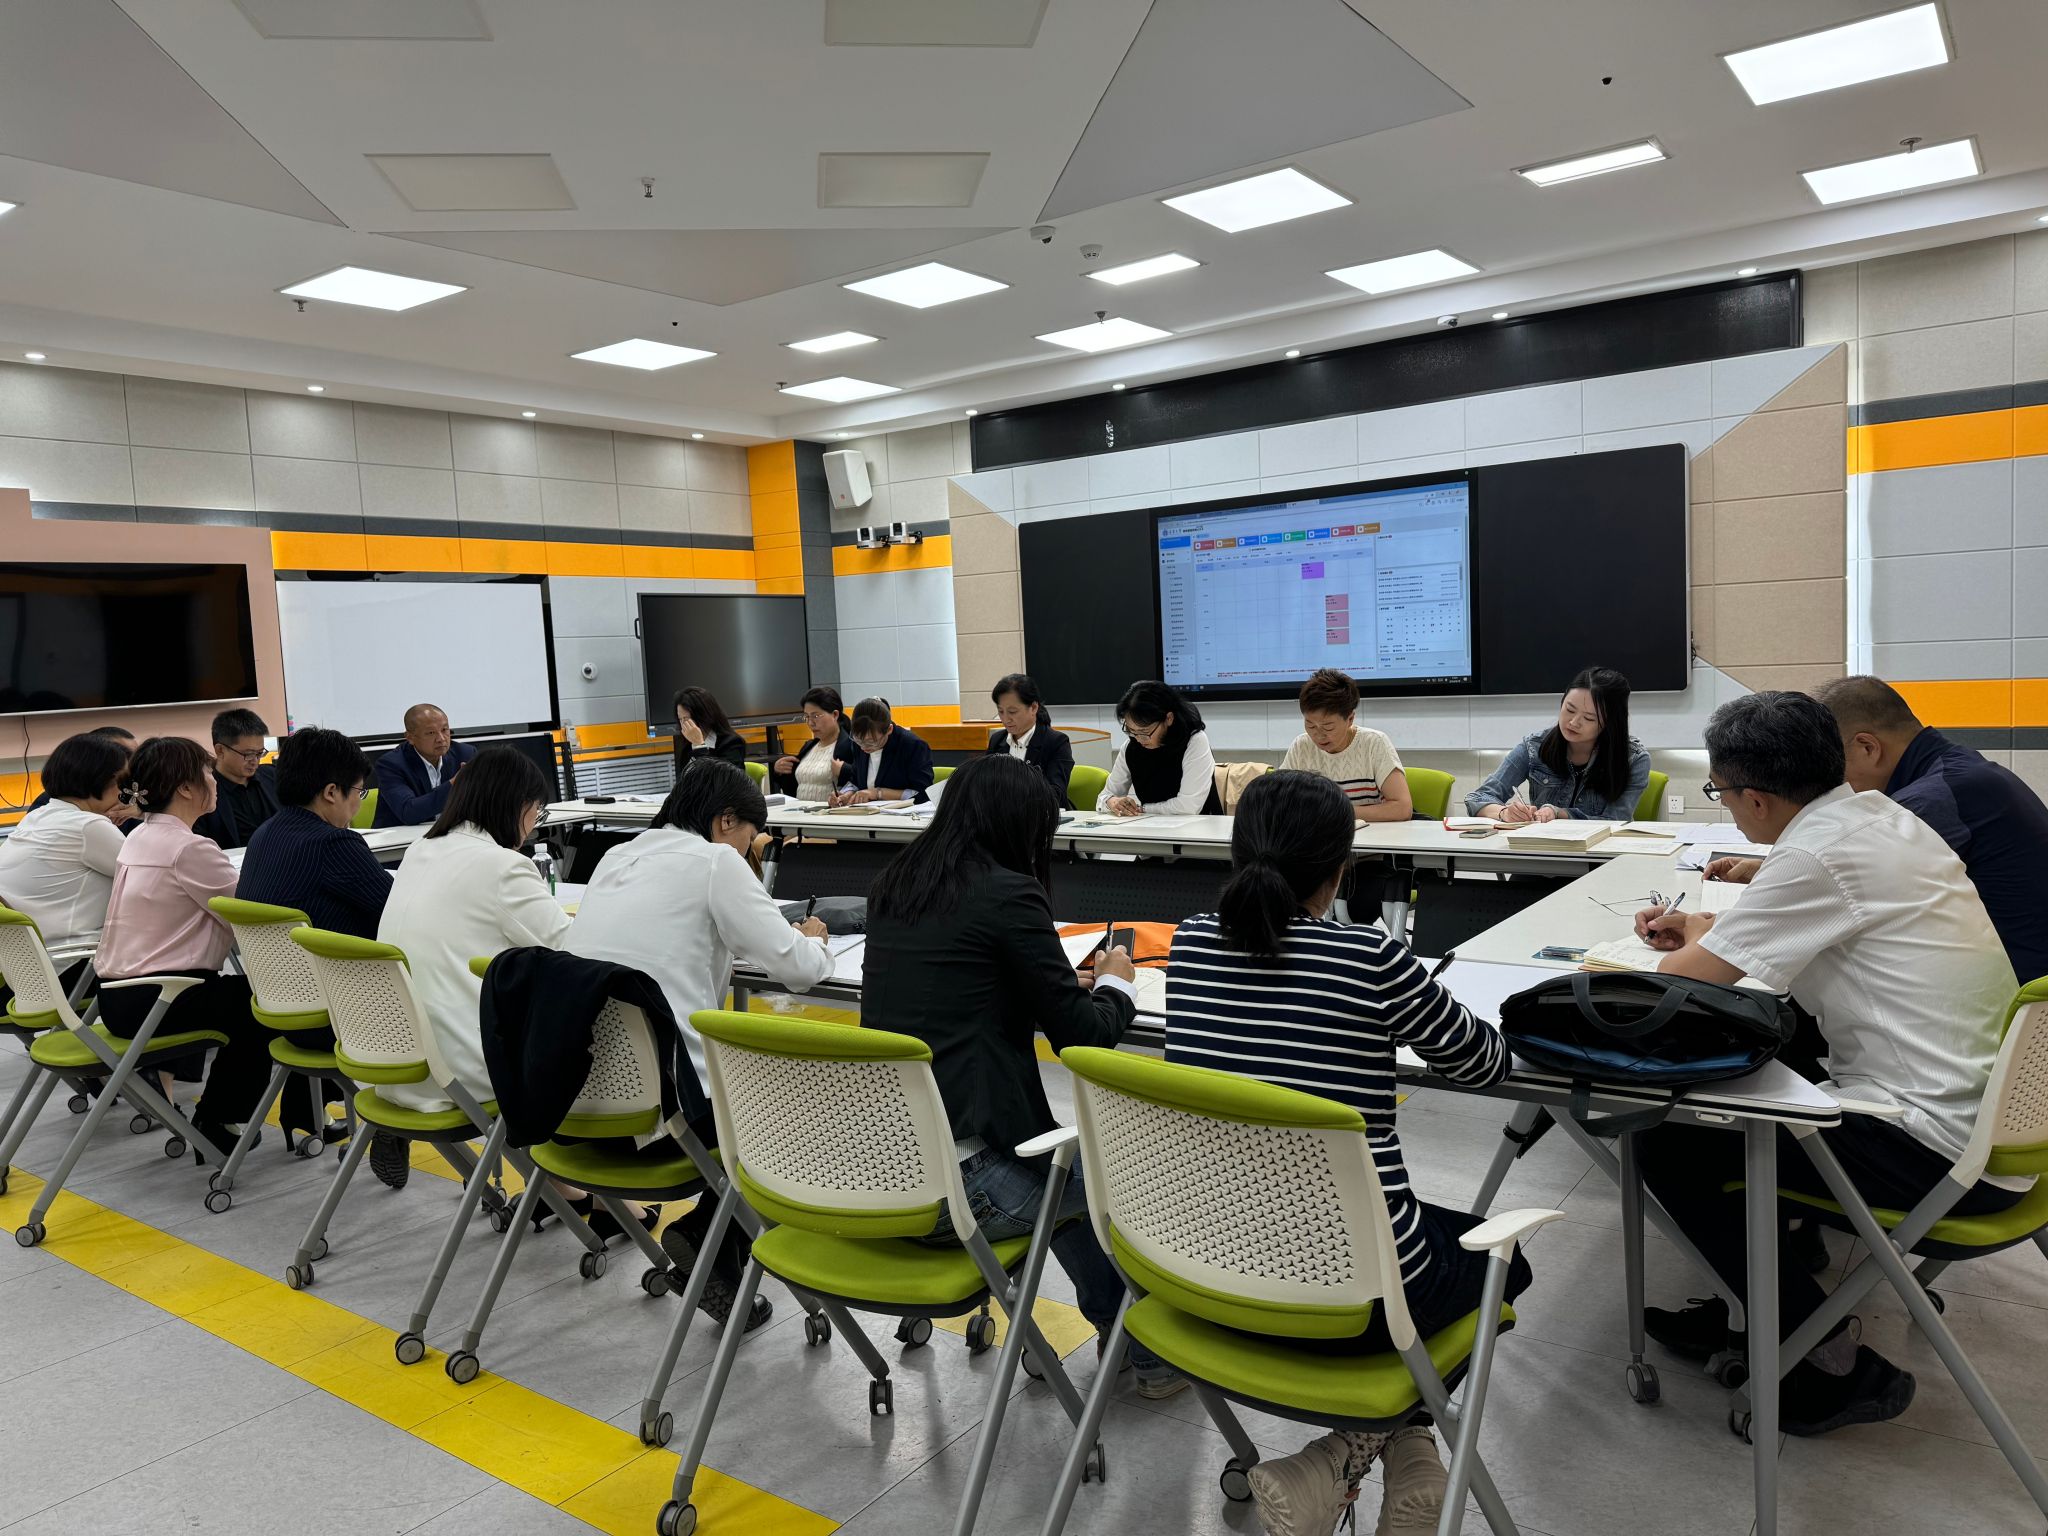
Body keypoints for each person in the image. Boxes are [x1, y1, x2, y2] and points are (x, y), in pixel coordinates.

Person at [1631, 690, 2020, 1436]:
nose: (1727, 808)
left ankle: (1822, 1359)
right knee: (1765, 1072)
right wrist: (1709, 930)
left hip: (1937, 1155)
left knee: (1672, 1137)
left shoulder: (1812, 854)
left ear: (1754, 799)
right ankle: (1758, 1310)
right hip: (1999, 1132)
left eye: (1720, 794)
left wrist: (1682, 950)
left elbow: (1678, 985)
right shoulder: (1881, 817)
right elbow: (1809, 919)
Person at [1165, 770, 1523, 1535]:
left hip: (1204, 1272)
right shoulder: (1371, 958)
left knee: (1419, 1242)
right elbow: (1484, 1064)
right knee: (1504, 1260)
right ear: (1340, 868)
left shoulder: (1190, 942)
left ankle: (1389, 1456)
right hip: (1355, 1300)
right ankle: (1354, 1449)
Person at [860, 754, 1180, 1396]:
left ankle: (1125, 1340)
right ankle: (1152, 1355)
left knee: (1068, 1171)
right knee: (1123, 1180)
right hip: (965, 1188)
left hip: (879, 1174)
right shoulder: (1009, 891)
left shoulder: (897, 884)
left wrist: (1047, 982)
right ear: (1019, 827)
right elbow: (1084, 1039)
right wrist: (1117, 985)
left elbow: (960, 983)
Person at [569, 759, 833, 1333]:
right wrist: (814, 938)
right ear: (725, 821)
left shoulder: (616, 856)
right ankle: (707, 1235)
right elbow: (797, 970)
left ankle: (715, 1249)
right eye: (747, 840)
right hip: (665, 1108)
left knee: (742, 1094)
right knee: (792, 1110)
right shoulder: (715, 861)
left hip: (576, 1101)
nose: (745, 854)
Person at [92, 737, 275, 1162]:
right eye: (207, 772)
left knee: (233, 993)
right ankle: (218, 1121)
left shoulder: (140, 835)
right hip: (157, 999)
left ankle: (218, 1115)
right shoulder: (189, 848)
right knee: (262, 1001)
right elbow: (250, 915)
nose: (214, 780)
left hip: (116, 997)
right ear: (186, 788)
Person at [236, 727, 403, 1172]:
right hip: (350, 1024)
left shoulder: (266, 835)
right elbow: (396, 915)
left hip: (281, 1015)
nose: (357, 805)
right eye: (358, 793)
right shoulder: (334, 843)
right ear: (331, 792)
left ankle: (358, 1115)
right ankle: (396, 1114)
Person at [1814, 675, 2048, 984]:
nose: (1836, 784)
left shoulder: (1934, 798)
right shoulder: (1960, 772)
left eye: (1834, 767)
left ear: (1868, 747)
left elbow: (1836, 884)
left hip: (2022, 994)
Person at [376, 748, 567, 1114]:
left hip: (394, 1061)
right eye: (537, 811)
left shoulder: (421, 849)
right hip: (463, 1068)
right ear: (517, 805)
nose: (533, 826)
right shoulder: (503, 866)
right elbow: (571, 948)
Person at [0, 730, 132, 952]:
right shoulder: (88, 827)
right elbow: (154, 877)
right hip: (74, 959)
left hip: (29, 962)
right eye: (122, 781)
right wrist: (146, 813)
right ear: (100, 779)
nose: (125, 792)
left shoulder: (39, 816)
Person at [1466, 666, 1650, 823]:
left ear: (1610, 724)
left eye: (1589, 718)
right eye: (1569, 709)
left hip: (1600, 852)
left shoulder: (1633, 759)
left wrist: (1560, 813)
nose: (1573, 722)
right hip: (1543, 850)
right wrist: (1504, 813)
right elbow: (1478, 797)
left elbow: (1616, 821)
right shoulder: (1534, 747)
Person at [1281, 669, 1413, 823]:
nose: (1318, 735)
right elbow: (1279, 800)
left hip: (1370, 834)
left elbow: (1402, 808)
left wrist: (1336, 812)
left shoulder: (1374, 743)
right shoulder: (1301, 746)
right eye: (1310, 725)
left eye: (1328, 727)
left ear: (1350, 719)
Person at [1099, 679, 1221, 816]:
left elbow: (1188, 806)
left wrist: (1143, 809)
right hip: (1151, 824)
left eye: (1145, 732)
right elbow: (1104, 797)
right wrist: (1112, 802)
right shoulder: (1130, 747)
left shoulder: (1194, 741)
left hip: (1200, 824)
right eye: (1131, 731)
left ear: (1168, 718)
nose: (1139, 739)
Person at [373, 703, 476, 828]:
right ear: (410, 738)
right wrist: (453, 785)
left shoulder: (465, 754)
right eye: (431, 733)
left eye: (444, 730)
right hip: (399, 837)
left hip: (451, 833)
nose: (441, 739)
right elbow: (408, 812)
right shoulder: (391, 764)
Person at [193, 708, 278, 850]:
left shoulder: (273, 776)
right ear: (220, 750)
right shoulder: (201, 793)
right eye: (248, 754)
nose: (255, 761)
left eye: (259, 753)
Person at [985, 672, 1075, 805]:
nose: (1006, 719)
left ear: (1033, 708)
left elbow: (1056, 794)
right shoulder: (997, 740)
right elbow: (985, 786)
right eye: (1001, 711)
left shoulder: (1056, 742)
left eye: (1012, 712)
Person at [26, 725, 139, 828]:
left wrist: (143, 813)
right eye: (124, 754)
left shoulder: (133, 796)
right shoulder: (51, 803)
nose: (133, 765)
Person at [831, 696, 935, 805]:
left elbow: (923, 794)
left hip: (903, 813)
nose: (863, 747)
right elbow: (856, 780)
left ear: (889, 729)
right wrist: (846, 794)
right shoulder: (858, 744)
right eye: (858, 740)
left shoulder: (913, 746)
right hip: (867, 812)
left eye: (871, 742)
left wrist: (878, 793)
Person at [769, 686, 859, 804]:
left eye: (815, 716)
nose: (810, 723)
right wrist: (780, 771)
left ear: (835, 715)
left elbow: (862, 780)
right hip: (801, 811)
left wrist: (844, 770)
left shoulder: (851, 746)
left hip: (831, 812)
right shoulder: (809, 746)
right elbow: (793, 789)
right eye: (807, 717)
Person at [672, 686, 747, 772]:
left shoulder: (732, 743)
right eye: (680, 719)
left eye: (686, 719)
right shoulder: (685, 742)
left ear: (704, 716)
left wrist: (699, 746)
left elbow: (722, 779)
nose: (683, 725)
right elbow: (681, 778)